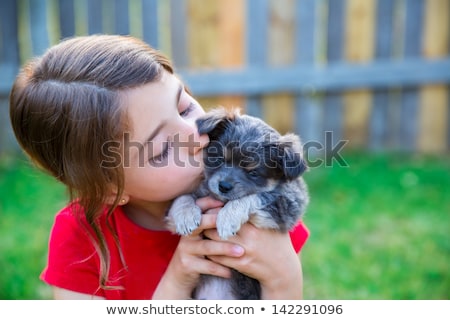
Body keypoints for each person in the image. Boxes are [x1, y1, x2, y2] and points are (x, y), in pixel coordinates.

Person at [9, 34, 309, 300]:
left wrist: (283, 277)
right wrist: (178, 279)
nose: (194, 135)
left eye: (184, 107)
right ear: (111, 189)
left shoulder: (255, 214)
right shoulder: (80, 239)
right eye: (163, 149)